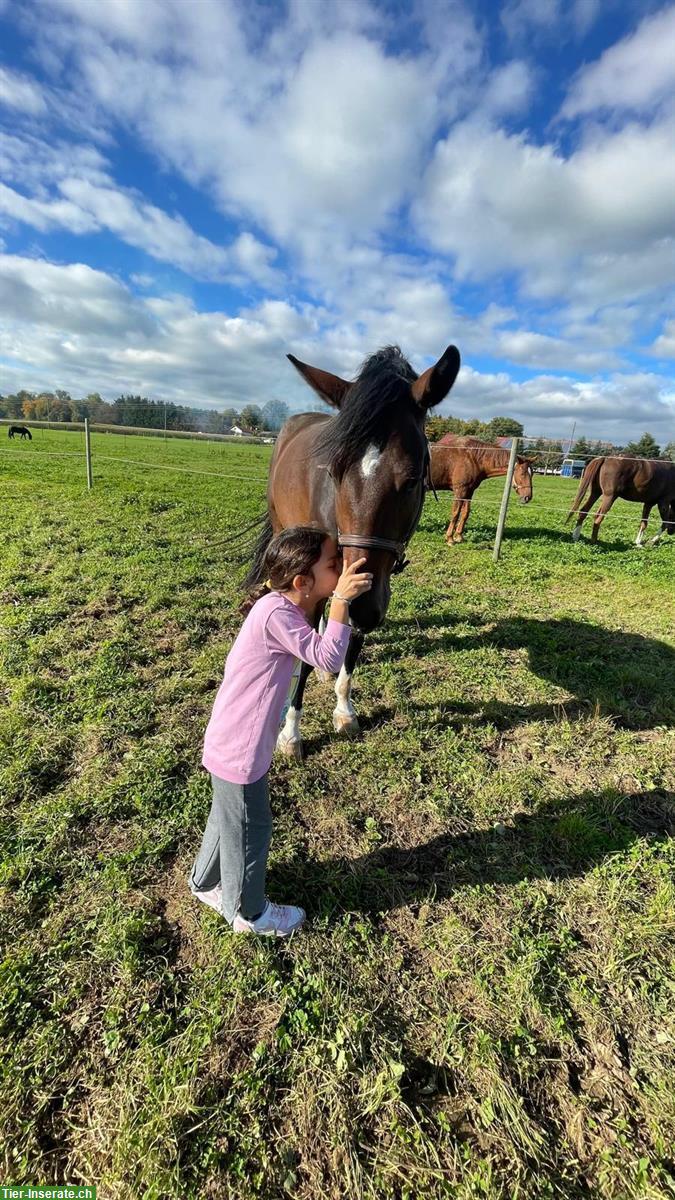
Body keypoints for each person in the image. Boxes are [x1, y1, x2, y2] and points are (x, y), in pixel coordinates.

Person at [188, 525, 372, 937]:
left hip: (231, 740)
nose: (341, 569)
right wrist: (341, 601)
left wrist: (334, 595)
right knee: (253, 828)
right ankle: (248, 913)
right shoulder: (276, 615)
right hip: (241, 749)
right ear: (302, 582)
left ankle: (204, 882)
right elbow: (326, 659)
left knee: (228, 818)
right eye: (333, 565)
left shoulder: (277, 606)